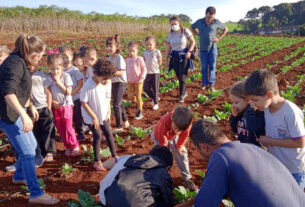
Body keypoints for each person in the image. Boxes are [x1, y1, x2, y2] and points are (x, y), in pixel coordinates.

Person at [176, 119, 305, 207]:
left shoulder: (221, 157)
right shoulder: (251, 148)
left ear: (204, 147)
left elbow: (204, 204)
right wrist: (189, 203)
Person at [0, 34, 59, 205]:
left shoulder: (18, 61)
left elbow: (20, 90)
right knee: (28, 153)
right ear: (34, 54)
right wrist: (24, 114)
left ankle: (19, 176)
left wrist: (30, 106)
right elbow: (9, 93)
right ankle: (35, 193)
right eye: (41, 55)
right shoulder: (15, 64)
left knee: (32, 146)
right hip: (10, 116)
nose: (41, 59)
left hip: (16, 112)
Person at [245, 69, 305, 190]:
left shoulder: (291, 112)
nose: (254, 104)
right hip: (278, 165)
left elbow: (301, 142)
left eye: (255, 100)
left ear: (269, 95)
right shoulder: (266, 108)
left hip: (294, 169)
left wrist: (271, 141)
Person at [99, 145, 173, 207]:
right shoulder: (162, 172)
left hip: (105, 199)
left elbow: (111, 162)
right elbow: (166, 202)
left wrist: (101, 165)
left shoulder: (130, 158)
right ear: (167, 166)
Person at [80, 57, 118, 171]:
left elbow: (108, 97)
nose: (106, 81)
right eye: (104, 79)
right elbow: (84, 103)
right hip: (91, 116)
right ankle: (97, 161)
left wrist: (109, 111)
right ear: (96, 73)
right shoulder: (88, 85)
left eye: (108, 79)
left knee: (109, 133)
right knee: (97, 135)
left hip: (103, 113)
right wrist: (94, 118)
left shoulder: (107, 82)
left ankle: (115, 156)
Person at [152, 105, 198, 191]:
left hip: (172, 136)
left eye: (179, 130)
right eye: (176, 128)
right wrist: (165, 151)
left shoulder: (187, 124)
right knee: (160, 158)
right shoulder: (165, 120)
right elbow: (162, 138)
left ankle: (186, 178)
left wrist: (180, 146)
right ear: (172, 119)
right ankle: (161, 177)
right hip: (159, 136)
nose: (177, 131)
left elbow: (184, 135)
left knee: (182, 154)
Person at [47, 53, 80, 156]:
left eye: (57, 68)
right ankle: (67, 145)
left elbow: (68, 92)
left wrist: (58, 82)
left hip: (66, 105)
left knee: (67, 125)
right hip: (56, 106)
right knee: (60, 127)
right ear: (48, 67)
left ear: (61, 67)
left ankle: (74, 145)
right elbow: (47, 92)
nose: (55, 71)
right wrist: (53, 102)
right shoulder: (48, 78)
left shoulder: (66, 76)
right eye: (52, 69)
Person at [191, 6, 228, 90]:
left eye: (211, 17)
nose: (209, 19)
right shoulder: (199, 22)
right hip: (203, 49)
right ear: (205, 14)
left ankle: (211, 84)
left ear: (214, 16)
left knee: (212, 66)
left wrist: (219, 38)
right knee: (204, 67)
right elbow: (192, 27)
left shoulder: (216, 22)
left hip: (212, 48)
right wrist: (197, 34)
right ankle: (204, 83)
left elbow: (226, 29)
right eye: (208, 17)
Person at [165, 16, 195, 103]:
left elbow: (193, 41)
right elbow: (168, 48)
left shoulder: (185, 31)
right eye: (172, 24)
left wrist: (189, 52)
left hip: (184, 56)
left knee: (182, 76)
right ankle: (184, 91)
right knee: (179, 76)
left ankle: (181, 95)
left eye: (175, 23)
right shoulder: (170, 34)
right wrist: (166, 59)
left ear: (179, 23)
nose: (174, 26)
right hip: (174, 57)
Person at [31, 65, 56, 162]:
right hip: (32, 109)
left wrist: (49, 108)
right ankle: (40, 152)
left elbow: (48, 93)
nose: (32, 67)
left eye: (34, 64)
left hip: (43, 106)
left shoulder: (42, 76)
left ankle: (49, 151)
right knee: (36, 131)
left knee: (48, 130)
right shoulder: (24, 76)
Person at [229, 80, 265, 146]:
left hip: (256, 149)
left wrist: (250, 110)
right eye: (232, 102)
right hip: (244, 147)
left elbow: (256, 127)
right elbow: (234, 130)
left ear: (247, 100)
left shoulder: (257, 111)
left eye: (236, 102)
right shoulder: (239, 114)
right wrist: (233, 117)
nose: (233, 105)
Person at [60, 46, 85, 140]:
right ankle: (68, 133)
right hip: (65, 99)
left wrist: (73, 92)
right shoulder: (60, 71)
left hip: (75, 98)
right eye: (62, 58)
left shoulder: (74, 70)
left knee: (77, 116)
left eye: (67, 57)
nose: (65, 60)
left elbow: (80, 83)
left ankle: (80, 132)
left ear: (71, 57)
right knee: (67, 117)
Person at [106, 35, 130, 133]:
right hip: (113, 83)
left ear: (117, 46)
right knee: (119, 103)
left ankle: (119, 126)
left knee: (116, 103)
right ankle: (126, 121)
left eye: (111, 46)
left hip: (120, 83)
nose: (108, 48)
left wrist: (111, 72)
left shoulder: (119, 58)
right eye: (107, 46)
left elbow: (121, 72)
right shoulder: (109, 58)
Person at [125, 41, 147, 120]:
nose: (131, 53)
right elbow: (125, 70)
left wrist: (142, 78)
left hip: (138, 81)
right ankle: (139, 102)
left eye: (133, 51)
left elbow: (144, 69)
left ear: (137, 51)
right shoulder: (127, 60)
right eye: (130, 51)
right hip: (130, 81)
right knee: (130, 96)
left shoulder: (139, 59)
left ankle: (139, 111)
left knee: (138, 96)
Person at [143, 36, 162, 110]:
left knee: (155, 88)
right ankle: (154, 98)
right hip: (147, 73)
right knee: (146, 88)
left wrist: (157, 67)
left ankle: (156, 103)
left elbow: (160, 61)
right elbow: (144, 61)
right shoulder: (145, 52)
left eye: (150, 44)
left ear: (154, 44)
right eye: (147, 44)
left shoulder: (157, 51)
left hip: (155, 73)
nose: (148, 46)